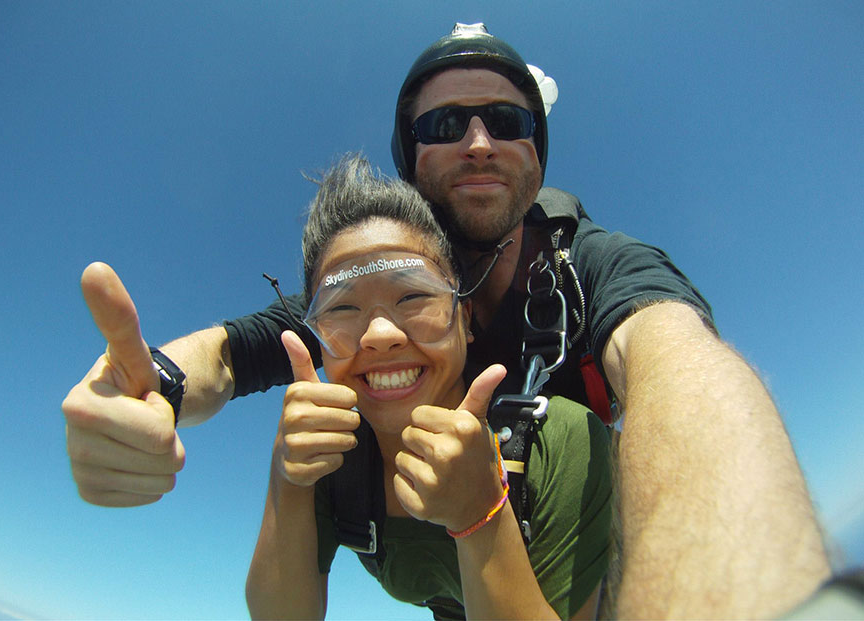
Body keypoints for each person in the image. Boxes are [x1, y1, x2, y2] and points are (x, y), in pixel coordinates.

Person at [62, 23, 831, 618]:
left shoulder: (593, 267)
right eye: (443, 127)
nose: (478, 143)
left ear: (538, 149)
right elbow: (230, 355)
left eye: (506, 118)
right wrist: (147, 393)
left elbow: (681, 372)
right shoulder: (368, 307)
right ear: (411, 161)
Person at [244, 153, 611, 620]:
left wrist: (479, 514)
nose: (379, 335)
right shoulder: (330, 457)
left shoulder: (557, 439)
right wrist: (287, 479)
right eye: (341, 309)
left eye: (414, 295)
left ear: (465, 317)